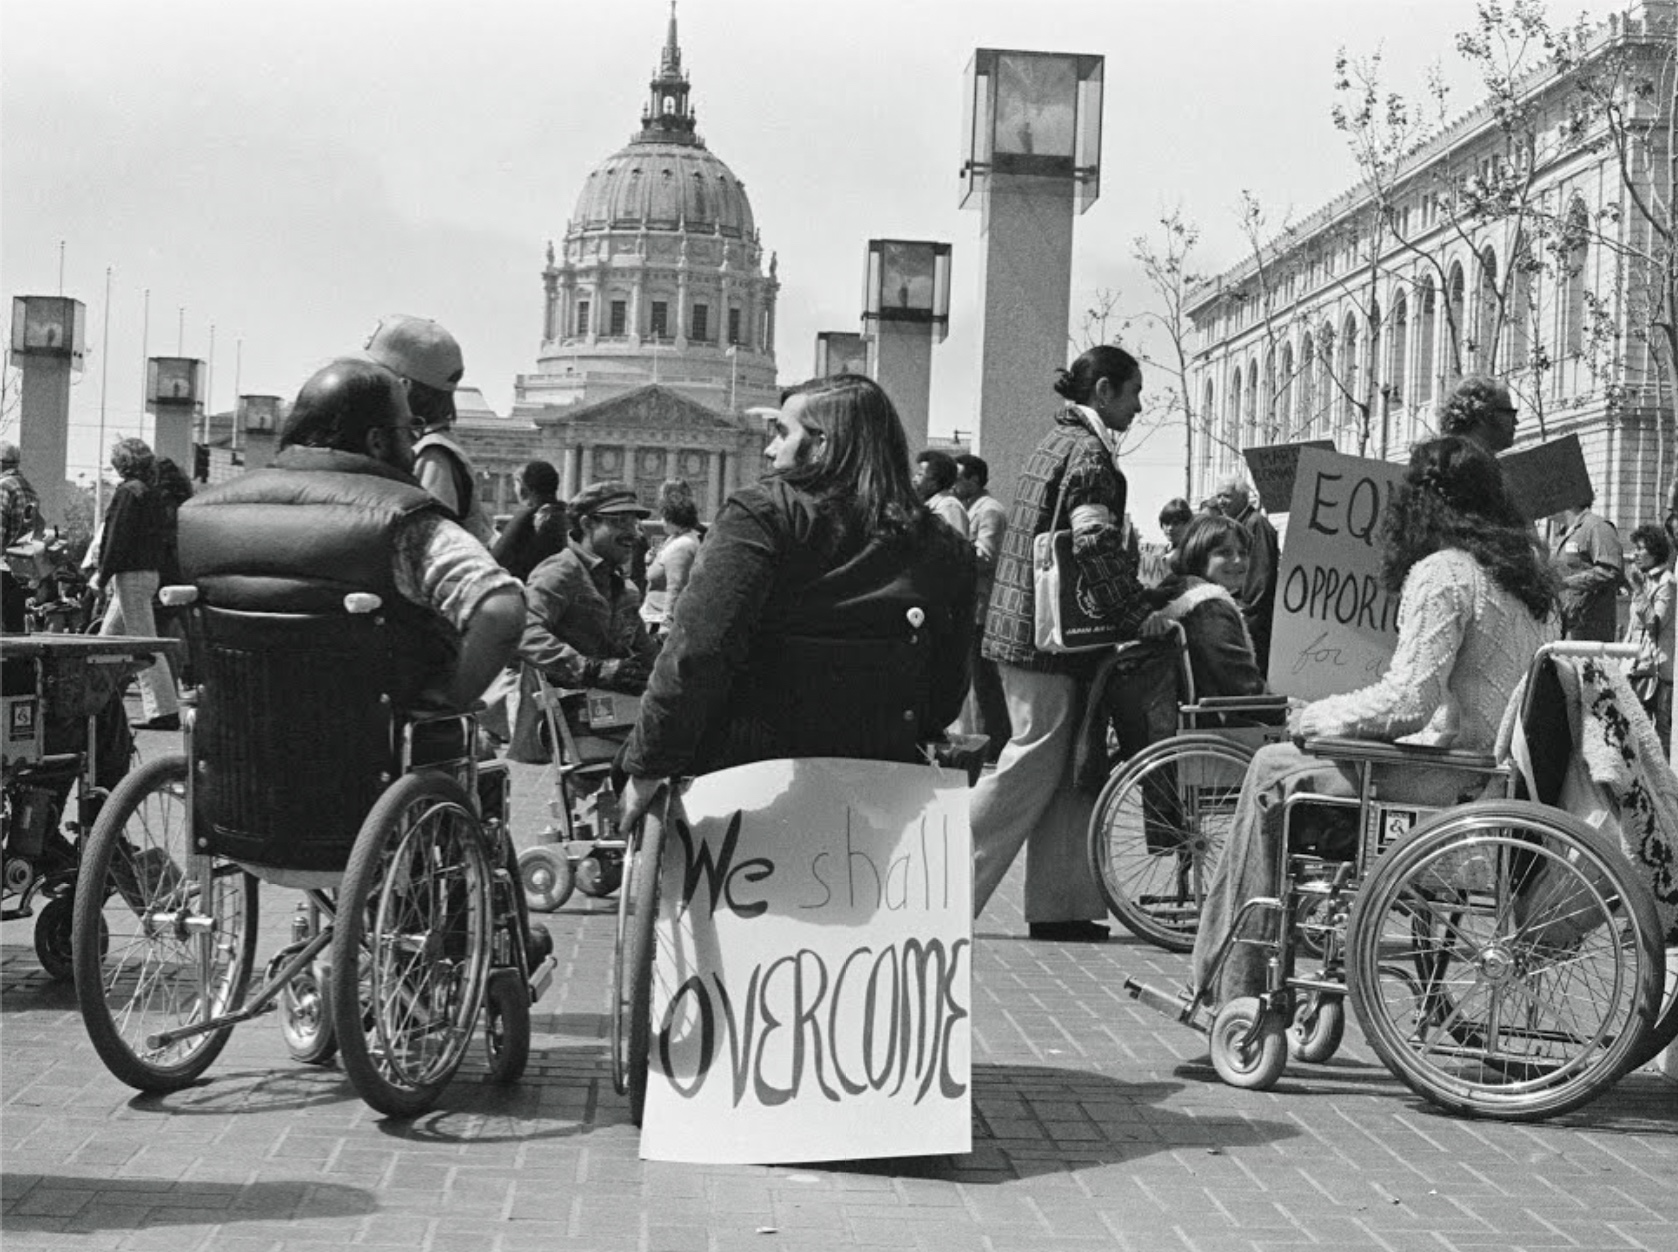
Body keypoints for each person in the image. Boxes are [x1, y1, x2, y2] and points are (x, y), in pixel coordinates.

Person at [1191, 436, 1561, 1008]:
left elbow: (1406, 702)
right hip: (1501, 781)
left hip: (1450, 787)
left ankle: (1228, 987)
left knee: (1270, 768)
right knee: (1288, 766)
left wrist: (1317, 717)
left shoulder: (1447, 575)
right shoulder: (1527, 580)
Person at [617, 374, 975, 824]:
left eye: (783, 433)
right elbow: (945, 692)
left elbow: (697, 651)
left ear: (822, 444)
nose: (770, 449)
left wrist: (648, 764)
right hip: (883, 787)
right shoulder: (945, 544)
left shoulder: (761, 515)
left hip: (749, 780)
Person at [178, 359, 524, 715]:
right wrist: (449, 700)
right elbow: (500, 611)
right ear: (377, 441)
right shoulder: (405, 523)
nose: (414, 446)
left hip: (236, 748)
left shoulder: (198, 514)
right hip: (372, 751)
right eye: (409, 431)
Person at [972, 345, 1151, 942]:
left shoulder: (1057, 443)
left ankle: (1065, 906)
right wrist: (1134, 612)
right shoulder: (1089, 454)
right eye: (1132, 392)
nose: (1139, 405)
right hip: (1044, 643)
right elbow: (1094, 539)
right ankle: (937, 889)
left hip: (1028, 633)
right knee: (1033, 764)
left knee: (1067, 767)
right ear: (1103, 390)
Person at [511, 482, 661, 760]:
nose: (633, 533)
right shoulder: (561, 571)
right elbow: (523, 630)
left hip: (614, 711)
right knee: (669, 747)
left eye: (635, 523)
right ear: (587, 524)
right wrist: (590, 669)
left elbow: (648, 655)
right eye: (620, 522)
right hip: (576, 718)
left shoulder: (624, 588)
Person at [363, 314, 496, 545]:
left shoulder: (433, 457)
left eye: (376, 377)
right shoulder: (421, 446)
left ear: (404, 387)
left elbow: (424, 548)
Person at [92, 438, 179, 730]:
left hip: (130, 575)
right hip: (148, 573)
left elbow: (116, 537)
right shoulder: (152, 494)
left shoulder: (128, 492)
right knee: (106, 644)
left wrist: (101, 575)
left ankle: (164, 710)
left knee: (144, 644)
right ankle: (95, 704)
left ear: (123, 462)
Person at [1139, 515, 1269, 705]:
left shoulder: (1182, 591)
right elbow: (1244, 689)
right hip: (1221, 726)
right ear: (1199, 555)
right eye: (1224, 552)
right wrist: (1291, 711)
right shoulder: (1210, 605)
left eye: (1243, 552)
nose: (1238, 560)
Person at [952, 452, 1011, 762]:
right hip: (970, 606)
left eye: (959, 477)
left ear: (975, 480)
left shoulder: (988, 511)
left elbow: (986, 556)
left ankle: (991, 744)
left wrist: (950, 545)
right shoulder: (969, 509)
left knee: (982, 681)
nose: (953, 484)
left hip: (982, 608)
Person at [1213, 474, 1281, 678]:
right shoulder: (1234, 525)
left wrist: (1245, 610)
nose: (1221, 502)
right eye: (1218, 496)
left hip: (1254, 619)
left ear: (1243, 497)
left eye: (1226, 496)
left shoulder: (1256, 524)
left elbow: (1261, 575)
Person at [1624, 522, 1675, 752]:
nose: (1635, 554)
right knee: (1635, 730)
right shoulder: (1644, 581)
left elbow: (1654, 624)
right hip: (1636, 664)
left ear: (1654, 552)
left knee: (1659, 732)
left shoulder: (1667, 584)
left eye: (1640, 549)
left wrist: (1638, 593)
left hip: (1656, 670)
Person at [1550, 491, 1625, 642]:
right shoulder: (1562, 536)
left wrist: (1566, 583)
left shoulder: (1597, 527)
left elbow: (1611, 571)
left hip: (1590, 629)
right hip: (1565, 626)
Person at [640, 478, 702, 638]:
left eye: (664, 517)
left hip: (660, 623)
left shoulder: (682, 545)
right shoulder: (675, 539)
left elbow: (676, 587)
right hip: (654, 616)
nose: (661, 521)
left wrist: (667, 626)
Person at [492, 459, 567, 581]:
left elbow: (495, 561)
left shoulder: (525, 517)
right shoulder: (564, 513)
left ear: (523, 489)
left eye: (515, 485)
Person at [0, 441, 43, 632]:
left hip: (2, 566)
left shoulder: (4, 487)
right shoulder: (29, 489)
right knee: (15, 627)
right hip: (21, 568)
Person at [1438, 374, 1518, 453]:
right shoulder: (1470, 463)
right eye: (1509, 413)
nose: (1516, 422)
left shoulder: (1447, 459)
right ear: (1484, 414)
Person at [914, 449, 969, 539]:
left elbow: (954, 545)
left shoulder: (949, 506)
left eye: (920, 475)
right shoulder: (928, 503)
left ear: (935, 481)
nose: (914, 479)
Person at [1158, 497, 1193, 564]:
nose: (1170, 528)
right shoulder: (1160, 553)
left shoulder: (1194, 553)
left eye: (1176, 523)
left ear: (1187, 524)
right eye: (1167, 523)